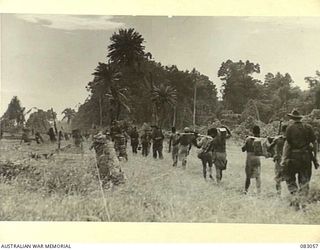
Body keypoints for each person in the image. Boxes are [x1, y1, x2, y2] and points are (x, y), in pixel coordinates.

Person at [281, 109, 318, 205]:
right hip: (306, 157)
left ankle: (295, 197)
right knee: (304, 181)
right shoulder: (308, 127)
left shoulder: (289, 128)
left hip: (293, 157)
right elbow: (314, 143)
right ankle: (303, 202)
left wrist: (284, 159)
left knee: (289, 178)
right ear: (300, 118)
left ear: (292, 118)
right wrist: (315, 158)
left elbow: (287, 144)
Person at [268, 125, 288, 195]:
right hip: (287, 160)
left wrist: (274, 155)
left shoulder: (278, 139)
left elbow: (269, 148)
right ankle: (291, 194)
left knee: (278, 178)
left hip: (279, 160)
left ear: (282, 131)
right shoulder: (290, 139)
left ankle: (278, 194)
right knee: (289, 178)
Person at [242, 125, 262, 194]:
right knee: (258, 176)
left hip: (249, 158)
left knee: (248, 176)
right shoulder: (260, 140)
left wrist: (245, 141)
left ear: (252, 132)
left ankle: (246, 190)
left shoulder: (248, 139)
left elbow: (243, 149)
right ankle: (258, 191)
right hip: (257, 158)